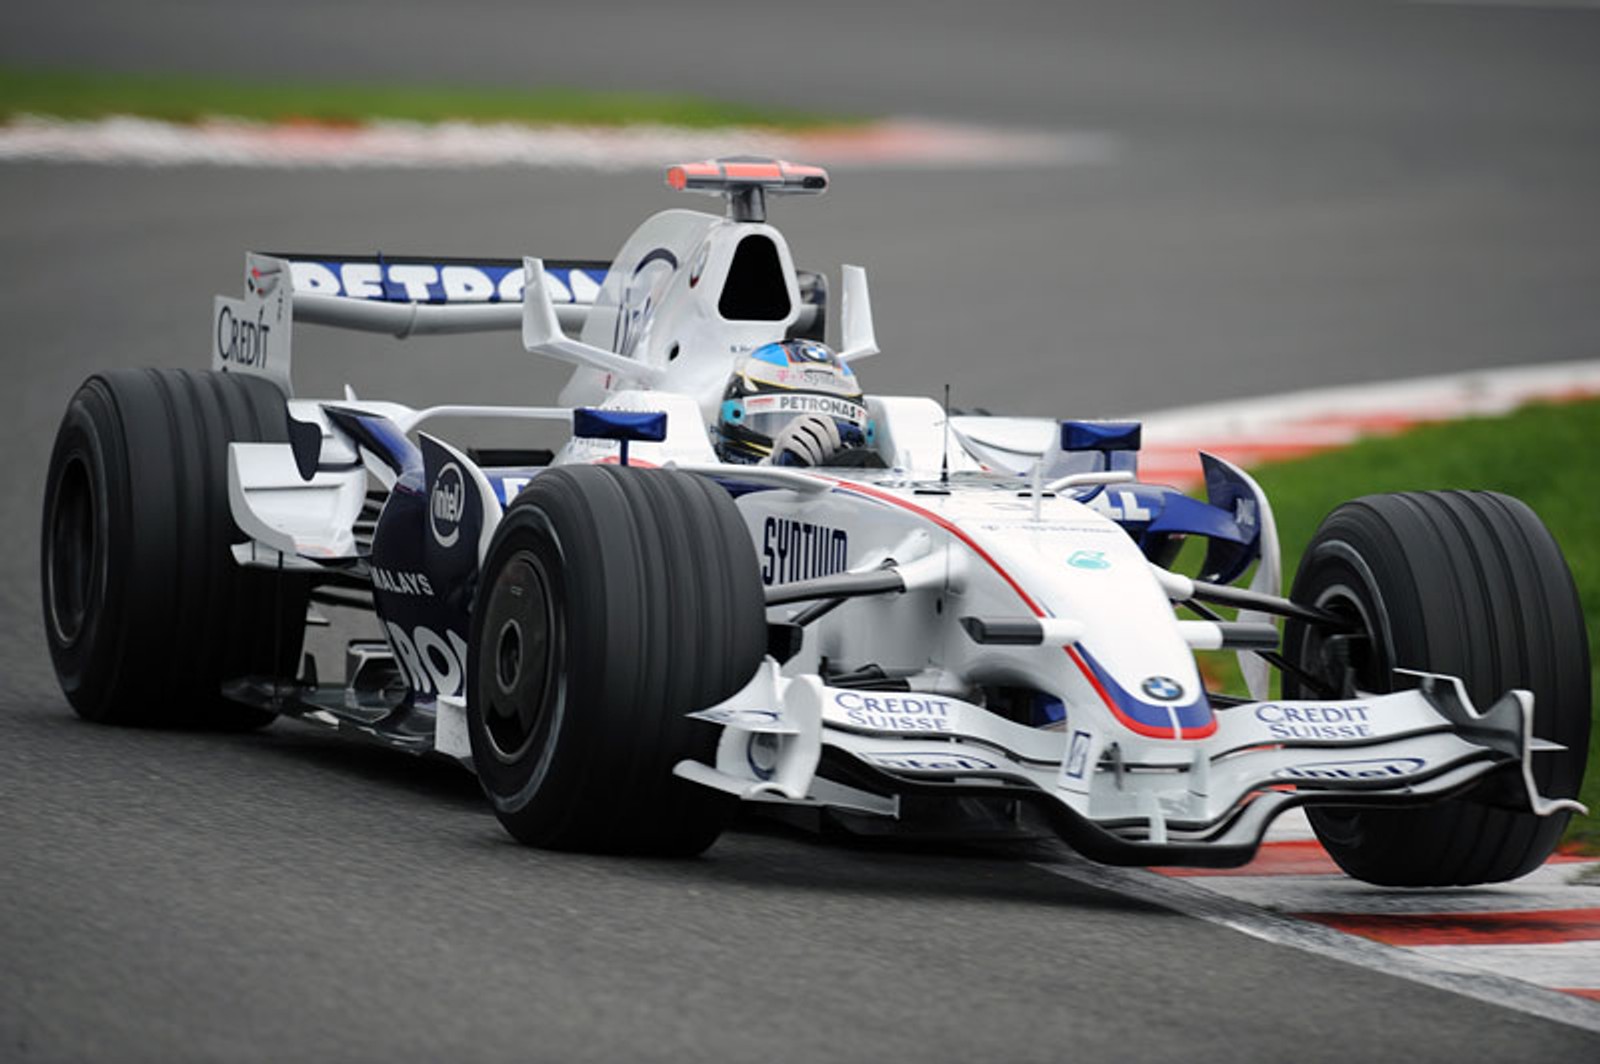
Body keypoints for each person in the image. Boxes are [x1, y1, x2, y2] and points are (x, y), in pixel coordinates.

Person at [715, 340, 879, 467]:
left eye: (831, 425)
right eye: (781, 419)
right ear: (734, 417)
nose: (807, 441)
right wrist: (773, 467)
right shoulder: (703, 493)